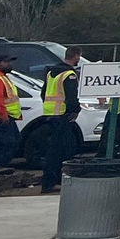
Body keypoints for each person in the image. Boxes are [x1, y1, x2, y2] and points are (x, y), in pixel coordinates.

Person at [37, 47, 84, 193]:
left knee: (54, 149)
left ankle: (53, 181)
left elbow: (43, 93)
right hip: (63, 116)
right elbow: (71, 98)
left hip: (50, 114)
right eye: (79, 56)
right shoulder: (69, 75)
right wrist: (75, 111)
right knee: (60, 151)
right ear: (76, 56)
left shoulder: (51, 72)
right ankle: (51, 182)